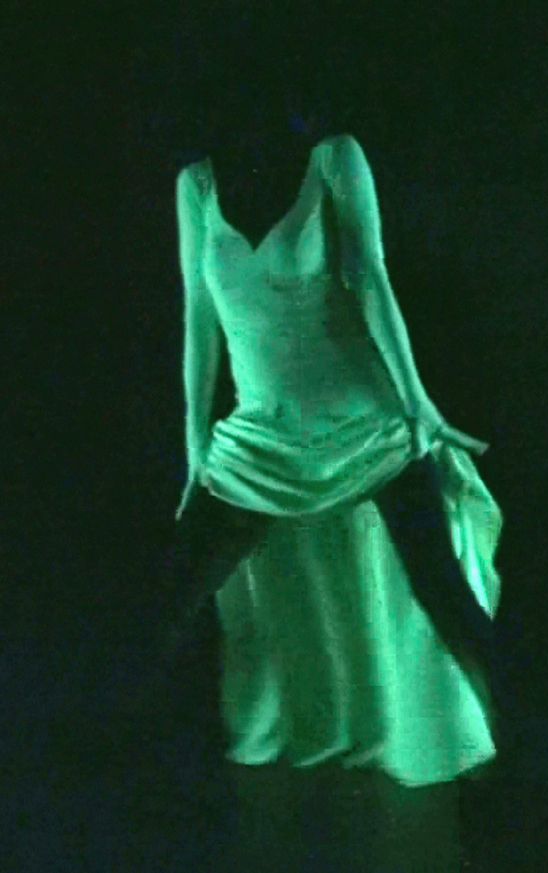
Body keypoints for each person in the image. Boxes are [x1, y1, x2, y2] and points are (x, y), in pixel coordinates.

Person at [168, 131, 504, 788]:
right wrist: (193, 447)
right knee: (173, 597)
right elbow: (198, 319)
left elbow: (371, 277)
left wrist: (418, 403)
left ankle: (532, 774)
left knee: (447, 599)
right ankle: (116, 780)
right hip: (261, 441)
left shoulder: (333, 158)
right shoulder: (197, 185)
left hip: (366, 426)